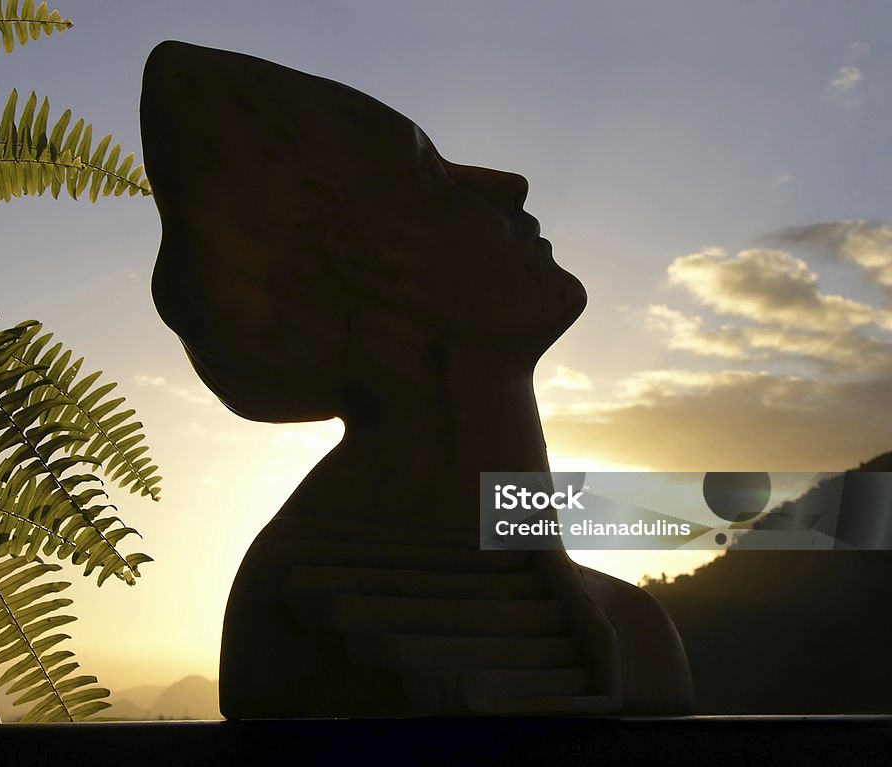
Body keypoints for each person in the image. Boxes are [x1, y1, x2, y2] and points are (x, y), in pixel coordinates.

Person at [140, 41, 694, 717]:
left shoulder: (632, 624)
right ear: (370, 269)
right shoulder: (307, 616)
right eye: (431, 177)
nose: (507, 183)